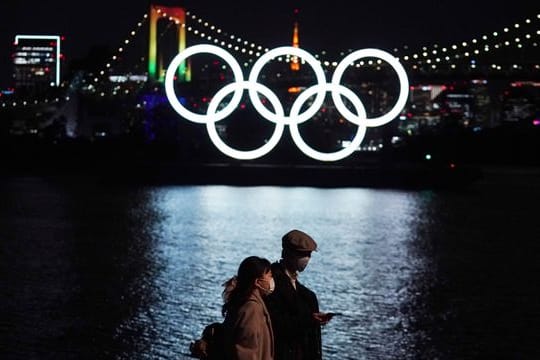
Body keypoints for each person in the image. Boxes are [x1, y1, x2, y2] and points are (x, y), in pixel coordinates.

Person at [264, 229, 334, 360]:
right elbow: (274, 322)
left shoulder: (306, 294)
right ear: (287, 253)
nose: (307, 259)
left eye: (309, 254)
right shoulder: (271, 282)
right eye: (302, 254)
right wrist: (309, 320)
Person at [222, 256, 275, 360]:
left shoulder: (242, 300)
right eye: (270, 276)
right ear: (258, 282)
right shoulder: (252, 308)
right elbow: (246, 350)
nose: (272, 280)